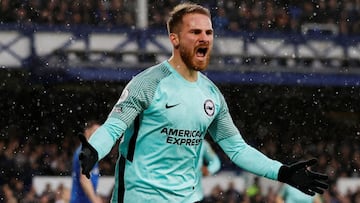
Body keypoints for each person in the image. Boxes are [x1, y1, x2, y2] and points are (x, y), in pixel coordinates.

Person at [78, 2, 328, 203]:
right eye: (195, 32)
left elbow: (237, 149)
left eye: (208, 32)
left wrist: (282, 172)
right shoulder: (148, 83)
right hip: (140, 196)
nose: (204, 38)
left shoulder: (212, 94)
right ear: (174, 39)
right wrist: (94, 150)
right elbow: (113, 128)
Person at [70, 120, 102, 203]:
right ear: (87, 132)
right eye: (95, 132)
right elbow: (84, 179)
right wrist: (94, 200)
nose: (98, 136)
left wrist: (96, 196)